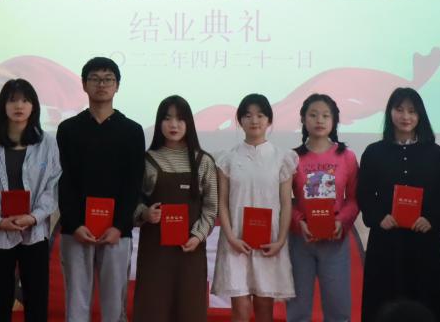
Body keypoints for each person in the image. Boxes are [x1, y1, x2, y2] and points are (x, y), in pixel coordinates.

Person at [56, 56, 145, 322]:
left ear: (117, 86)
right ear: (84, 85)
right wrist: (74, 224)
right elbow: (63, 180)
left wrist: (119, 226)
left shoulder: (132, 131)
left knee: (114, 304)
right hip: (76, 231)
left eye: (108, 79)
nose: (102, 84)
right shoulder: (68, 129)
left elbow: (133, 183)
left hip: (116, 232)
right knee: (77, 300)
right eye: (95, 79)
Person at [357, 87, 440, 322]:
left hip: (425, 240)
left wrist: (431, 219)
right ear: (390, 113)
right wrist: (379, 217)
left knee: (428, 299)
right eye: (399, 110)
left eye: (412, 111)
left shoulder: (434, 152)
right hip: (387, 240)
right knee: (385, 300)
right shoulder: (374, 152)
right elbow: (365, 193)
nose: (405, 116)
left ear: (420, 115)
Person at [0, 79, 61, 322]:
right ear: (3, 105)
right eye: (12, 100)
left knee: (36, 296)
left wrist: (34, 216)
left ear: (34, 106)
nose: (19, 105)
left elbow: (53, 186)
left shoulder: (47, 143)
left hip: (34, 231)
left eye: (25, 100)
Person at [212, 93, 298, 322]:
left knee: (264, 308)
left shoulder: (282, 158)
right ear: (240, 120)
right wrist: (231, 237)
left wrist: (280, 240)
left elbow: (286, 203)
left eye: (260, 115)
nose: (254, 120)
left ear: (269, 120)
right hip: (235, 242)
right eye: (248, 115)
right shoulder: (227, 158)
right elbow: (222, 202)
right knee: (240, 309)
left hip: (269, 243)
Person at [132, 95, 218, 322]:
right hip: (155, 253)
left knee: (189, 310)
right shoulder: (147, 160)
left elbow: (211, 207)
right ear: (159, 122)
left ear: (189, 123)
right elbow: (132, 200)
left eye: (180, 119)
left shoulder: (204, 161)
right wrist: (145, 213)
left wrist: (198, 236)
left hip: (189, 252)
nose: (173, 125)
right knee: (152, 310)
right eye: (167, 118)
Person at [287, 94, 360, 322]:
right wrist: (299, 221)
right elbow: (283, 201)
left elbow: (354, 199)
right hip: (301, 241)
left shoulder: (346, 157)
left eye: (326, 116)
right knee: (298, 310)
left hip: (335, 241)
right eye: (313, 115)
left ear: (334, 121)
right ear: (303, 119)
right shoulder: (292, 158)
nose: (319, 120)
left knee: (338, 310)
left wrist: (341, 221)